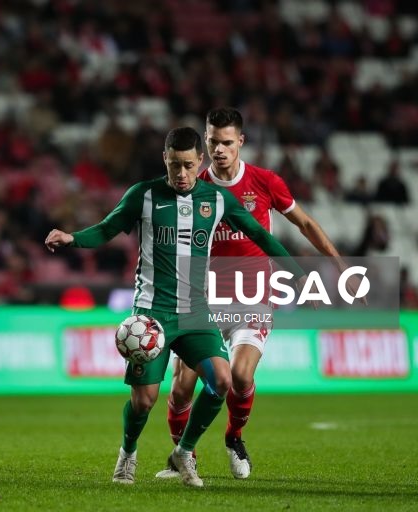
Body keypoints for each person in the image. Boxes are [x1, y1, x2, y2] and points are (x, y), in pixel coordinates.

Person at [45, 127, 305, 488]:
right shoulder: (144, 195)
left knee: (223, 381)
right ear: (164, 161)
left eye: (187, 166)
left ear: (200, 161)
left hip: (196, 312)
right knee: (144, 401)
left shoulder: (216, 200)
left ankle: (185, 452)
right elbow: (107, 229)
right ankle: (128, 454)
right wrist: (73, 238)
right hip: (153, 314)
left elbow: (260, 235)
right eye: (174, 166)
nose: (181, 175)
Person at [157, 107, 358, 481]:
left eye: (227, 143)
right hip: (203, 300)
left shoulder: (265, 182)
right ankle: (186, 457)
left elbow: (305, 223)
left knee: (240, 376)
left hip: (252, 297)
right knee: (182, 386)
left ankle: (234, 438)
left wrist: (340, 265)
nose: (219, 149)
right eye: (213, 142)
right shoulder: (192, 187)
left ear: (241, 143)